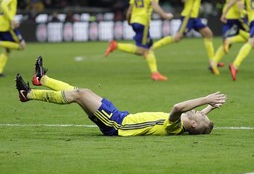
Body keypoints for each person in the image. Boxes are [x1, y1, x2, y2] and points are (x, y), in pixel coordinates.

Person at [15, 56, 227, 136]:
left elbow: (177, 107)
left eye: (199, 115)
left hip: (117, 125)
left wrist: (205, 99)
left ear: (191, 124)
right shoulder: (186, 125)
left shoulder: (175, 125)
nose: (199, 111)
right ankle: (41, 80)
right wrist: (210, 107)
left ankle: (29, 94)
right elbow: (195, 116)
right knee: (81, 92)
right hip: (119, 116)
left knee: (80, 94)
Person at [151, 0, 226, 75]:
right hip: (188, 17)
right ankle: (152, 48)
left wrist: (193, 4)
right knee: (177, 37)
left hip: (193, 17)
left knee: (208, 34)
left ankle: (212, 62)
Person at [104, 0, 173, 81]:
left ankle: (155, 74)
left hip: (135, 21)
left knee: (149, 48)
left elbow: (130, 9)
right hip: (143, 22)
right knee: (143, 51)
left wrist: (128, 20)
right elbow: (155, 5)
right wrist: (164, 15)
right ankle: (116, 45)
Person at [211, 0, 251, 75]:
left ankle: (214, 63)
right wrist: (243, 11)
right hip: (236, 17)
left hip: (229, 15)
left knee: (228, 43)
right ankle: (216, 61)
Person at [0, 0, 26, 77]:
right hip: (6, 25)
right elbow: (3, 6)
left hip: (3, 23)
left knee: (7, 49)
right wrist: (12, 19)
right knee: (21, 46)